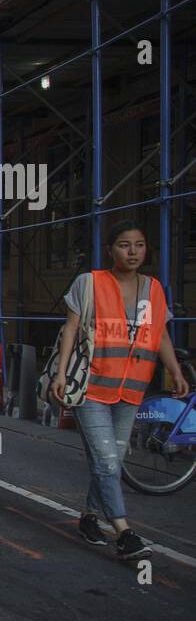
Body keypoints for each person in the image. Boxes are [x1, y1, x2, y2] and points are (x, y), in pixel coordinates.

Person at [52, 220, 188, 560]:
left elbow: (160, 335)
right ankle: (124, 531)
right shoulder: (90, 283)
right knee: (109, 462)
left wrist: (176, 370)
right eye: (124, 245)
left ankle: (89, 517)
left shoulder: (154, 289)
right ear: (111, 249)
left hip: (131, 391)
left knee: (107, 461)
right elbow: (70, 329)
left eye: (139, 245)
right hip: (91, 387)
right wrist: (60, 374)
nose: (132, 251)